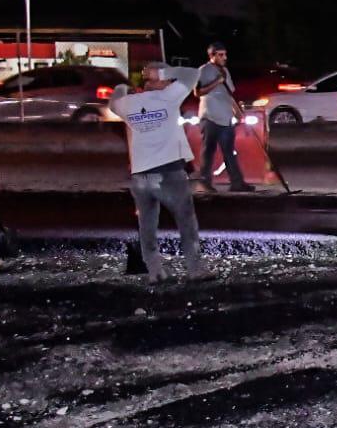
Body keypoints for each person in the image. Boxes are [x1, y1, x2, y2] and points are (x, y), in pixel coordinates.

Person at [109, 63, 212, 282]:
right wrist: (164, 73)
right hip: (169, 172)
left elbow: (112, 102)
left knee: (147, 225)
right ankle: (195, 269)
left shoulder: (129, 103)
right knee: (186, 221)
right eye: (167, 80)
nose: (171, 83)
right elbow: (193, 73)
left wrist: (121, 86)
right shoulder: (168, 97)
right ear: (160, 83)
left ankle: (155, 272)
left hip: (140, 176)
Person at [194, 42, 255, 193]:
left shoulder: (225, 71)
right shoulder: (203, 70)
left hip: (225, 117)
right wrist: (216, 82)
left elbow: (229, 94)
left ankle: (237, 183)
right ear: (212, 55)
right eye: (220, 55)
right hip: (210, 117)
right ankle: (204, 182)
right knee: (208, 151)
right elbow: (197, 92)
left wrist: (238, 113)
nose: (224, 57)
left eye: (225, 54)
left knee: (230, 151)